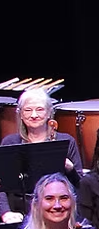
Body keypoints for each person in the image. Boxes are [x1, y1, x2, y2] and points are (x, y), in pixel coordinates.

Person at [0, 86, 82, 220]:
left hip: (58, 212)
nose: (33, 115)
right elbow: (1, 184)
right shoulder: (10, 142)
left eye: (39, 110)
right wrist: (5, 213)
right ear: (20, 114)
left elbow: (80, 186)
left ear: (49, 112)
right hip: (19, 213)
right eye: (28, 110)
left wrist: (70, 169)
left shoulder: (66, 141)